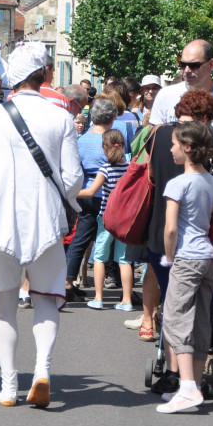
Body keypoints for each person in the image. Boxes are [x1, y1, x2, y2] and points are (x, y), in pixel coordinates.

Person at [0, 41, 82, 408]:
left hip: (0, 218)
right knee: (47, 298)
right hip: (46, 220)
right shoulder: (61, 116)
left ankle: (7, 386)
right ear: (45, 75)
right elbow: (73, 179)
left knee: (4, 302)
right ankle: (42, 370)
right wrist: (57, 198)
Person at [139, 90, 213, 377]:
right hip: (200, 242)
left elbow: (148, 175)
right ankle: (194, 371)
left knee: (173, 309)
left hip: (161, 235)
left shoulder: (156, 135)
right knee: (199, 310)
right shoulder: (209, 138)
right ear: (205, 117)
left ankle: (174, 373)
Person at [155, 121, 213, 413]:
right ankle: (194, 383)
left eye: (173, 144)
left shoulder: (177, 183)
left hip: (186, 255)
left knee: (175, 318)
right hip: (208, 256)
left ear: (186, 148)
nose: (170, 149)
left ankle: (185, 387)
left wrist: (169, 257)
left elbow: (170, 228)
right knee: (200, 321)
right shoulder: (212, 181)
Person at [151, 39, 213, 163]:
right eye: (182, 64)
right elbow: (153, 144)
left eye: (194, 65)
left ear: (211, 64)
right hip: (176, 178)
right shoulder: (165, 95)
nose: (186, 70)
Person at [65, 97, 117, 301]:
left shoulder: (81, 139)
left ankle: (69, 279)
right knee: (111, 242)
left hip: (84, 191)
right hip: (106, 193)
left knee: (81, 238)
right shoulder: (112, 139)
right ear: (112, 119)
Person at [77, 128, 135, 311]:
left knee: (100, 257)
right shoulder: (129, 168)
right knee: (124, 260)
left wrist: (70, 194)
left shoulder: (105, 169)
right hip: (126, 219)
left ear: (104, 147)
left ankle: (99, 297)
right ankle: (127, 300)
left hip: (107, 218)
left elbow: (91, 191)